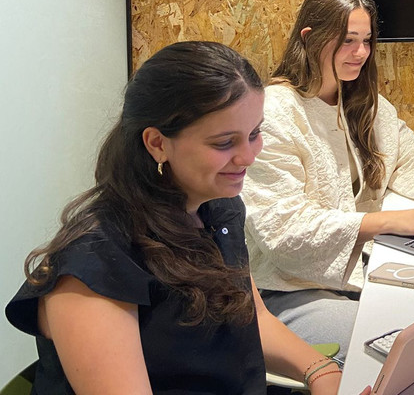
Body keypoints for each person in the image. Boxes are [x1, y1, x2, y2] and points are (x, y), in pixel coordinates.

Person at [5, 41, 369, 395]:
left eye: (255, 134)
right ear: (157, 143)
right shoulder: (95, 262)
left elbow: (250, 318)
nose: (248, 157)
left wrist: (322, 372)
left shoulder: (218, 208)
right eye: (224, 143)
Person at [243, 0, 414, 358]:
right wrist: (387, 223)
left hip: (360, 270)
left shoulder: (364, 102)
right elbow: (284, 233)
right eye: (348, 40)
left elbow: (410, 158)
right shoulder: (274, 112)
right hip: (287, 289)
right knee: (393, 351)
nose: (360, 52)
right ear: (311, 38)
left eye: (366, 40)